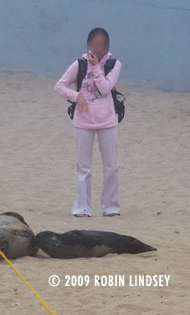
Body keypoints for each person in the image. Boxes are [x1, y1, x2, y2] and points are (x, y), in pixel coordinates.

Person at [53, 27, 122, 217]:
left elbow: (105, 87)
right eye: (95, 45)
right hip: (83, 122)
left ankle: (111, 207)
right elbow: (59, 86)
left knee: (111, 167)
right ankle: (82, 208)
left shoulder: (114, 64)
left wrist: (95, 67)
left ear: (107, 46)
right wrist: (76, 96)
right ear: (89, 45)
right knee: (83, 167)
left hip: (108, 121)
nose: (99, 49)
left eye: (102, 45)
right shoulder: (79, 63)